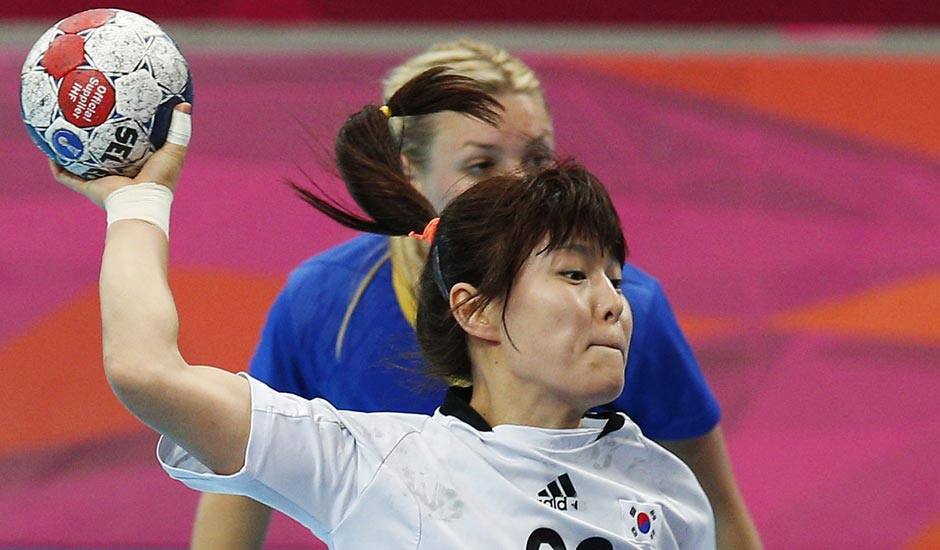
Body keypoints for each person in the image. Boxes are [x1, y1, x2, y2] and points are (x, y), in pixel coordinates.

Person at [50, 70, 716, 548]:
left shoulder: (667, 492)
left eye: (615, 277)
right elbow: (145, 370)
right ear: (476, 310)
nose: (613, 303)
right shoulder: (372, 468)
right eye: (574, 273)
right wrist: (136, 203)